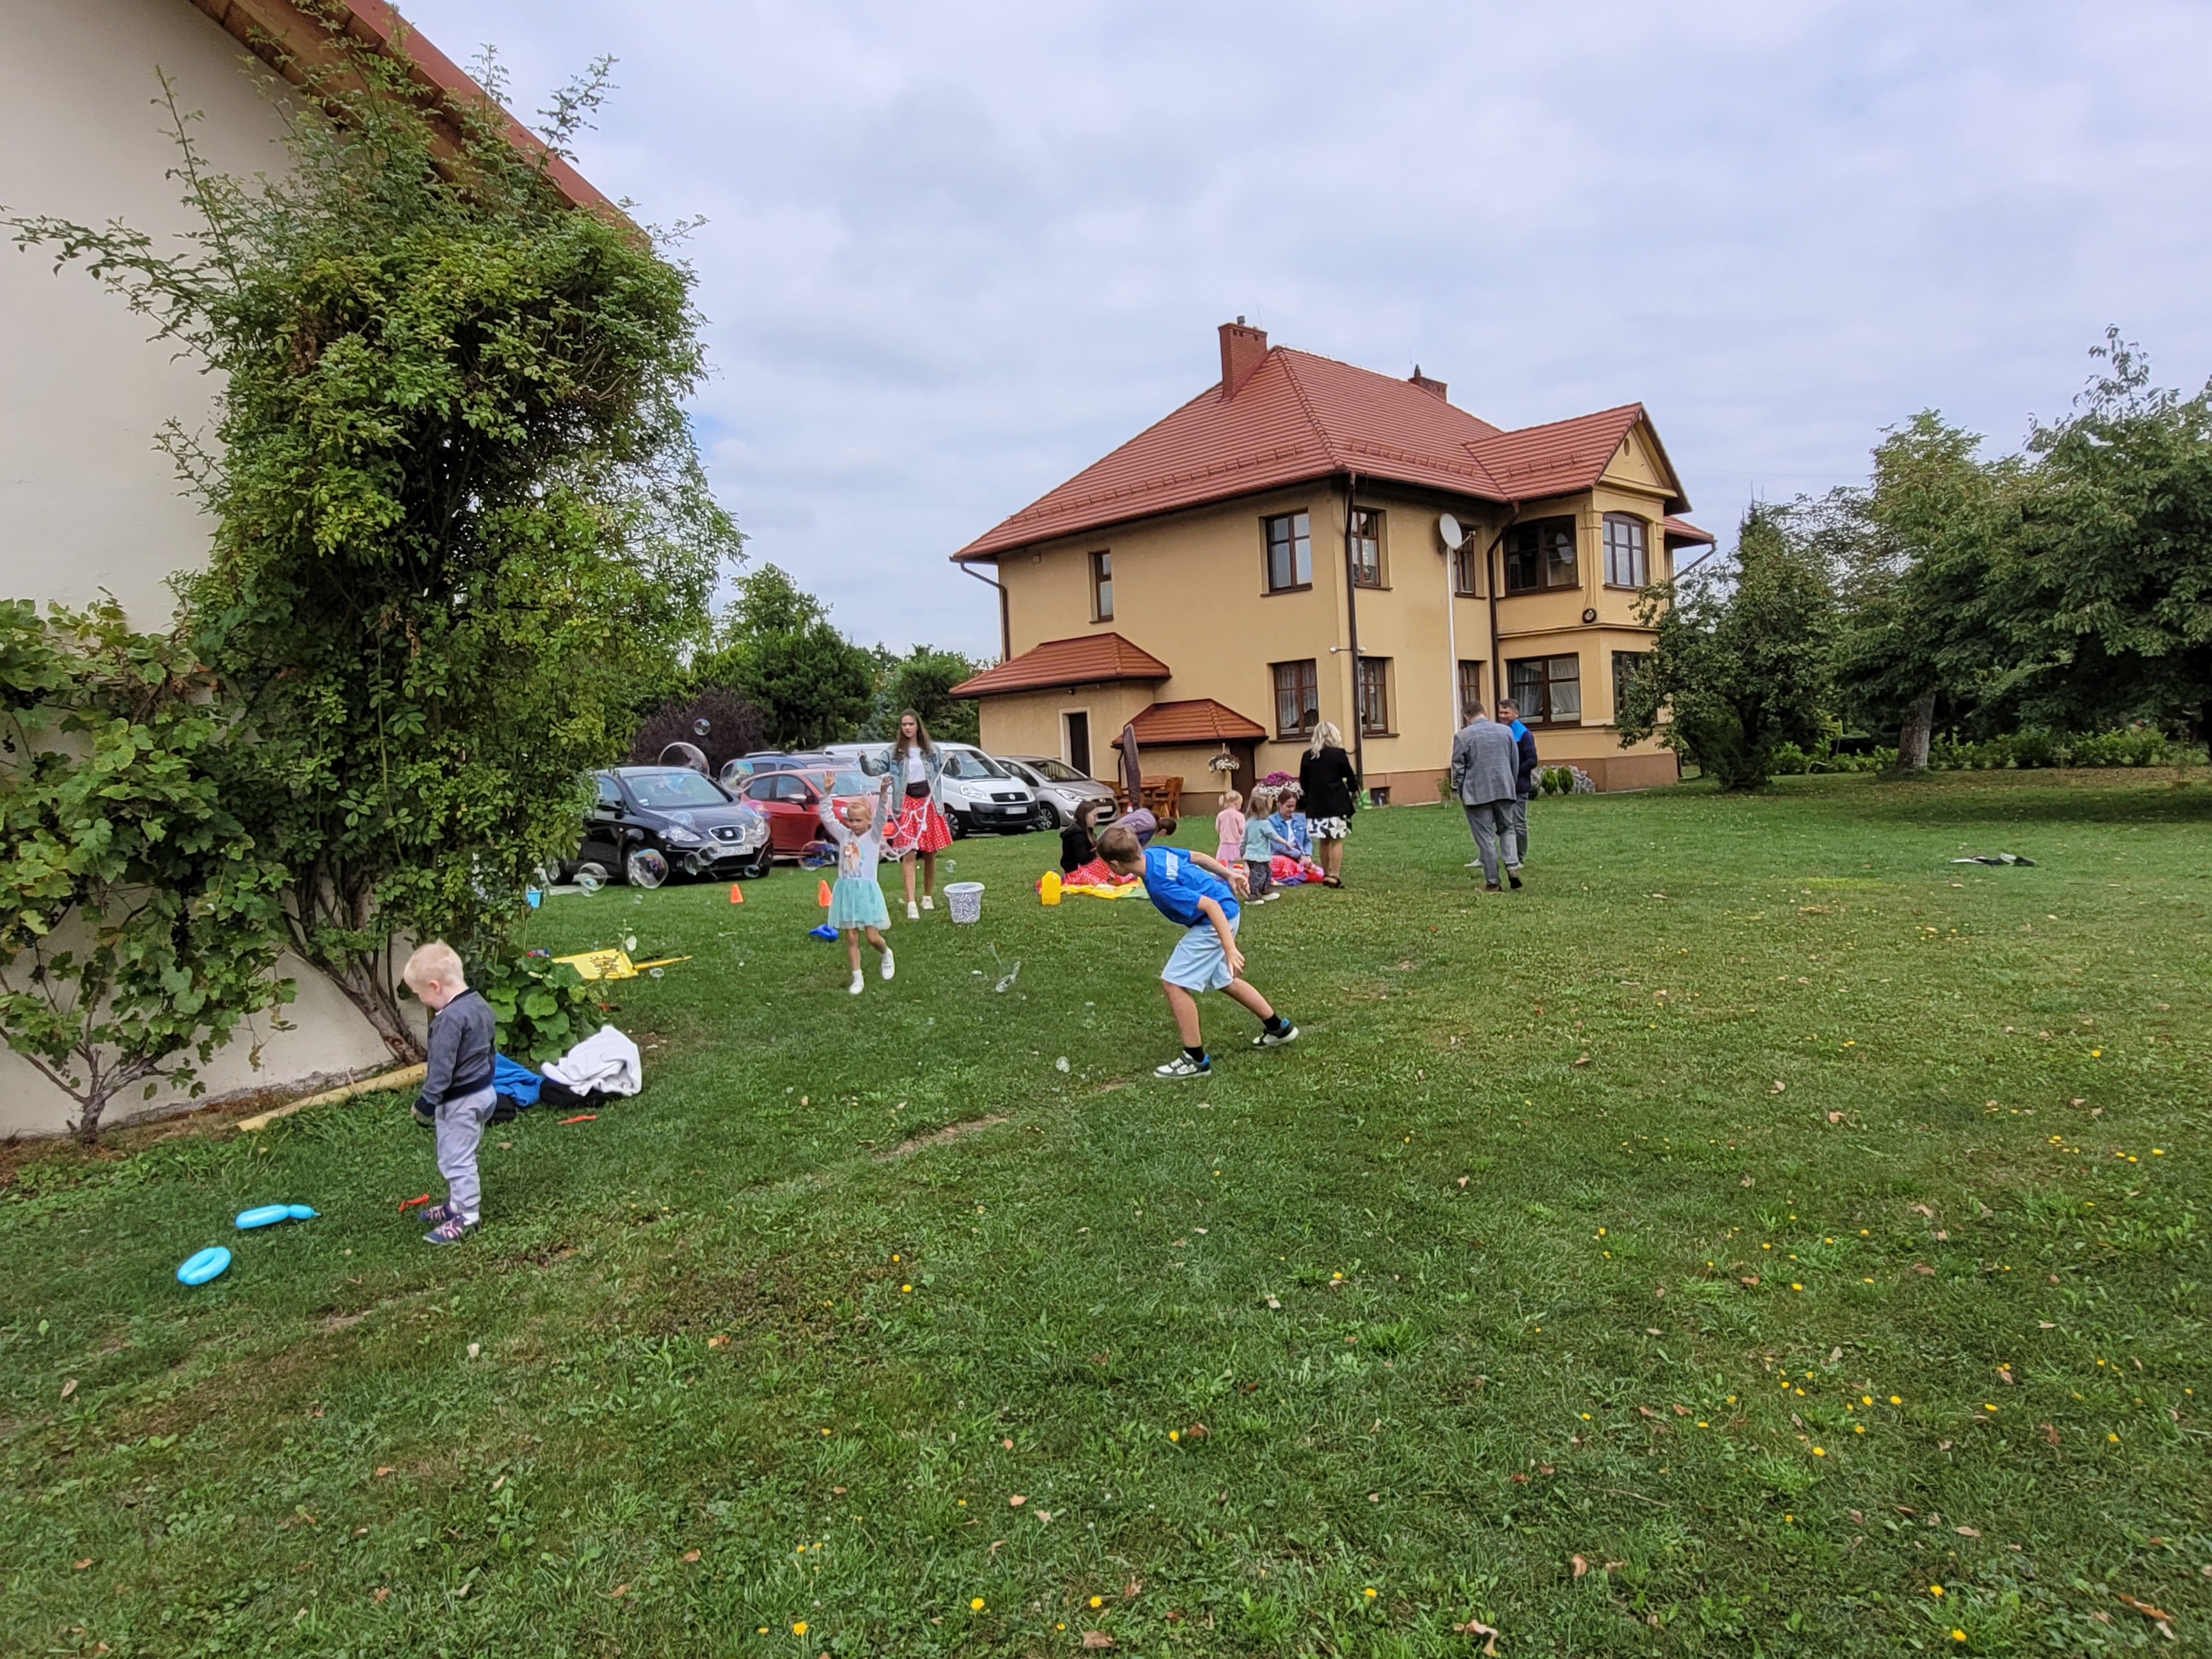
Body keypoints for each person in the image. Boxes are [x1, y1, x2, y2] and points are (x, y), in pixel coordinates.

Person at [1099, 822, 1297, 1080]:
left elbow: (1211, 907)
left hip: (1216, 921)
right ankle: (1278, 1029)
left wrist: (1230, 949)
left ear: (1114, 865)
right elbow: (1200, 857)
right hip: (1226, 911)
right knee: (1225, 980)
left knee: (1173, 983)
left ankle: (1195, 1059)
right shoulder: (1156, 854)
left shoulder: (1159, 884)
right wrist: (1228, 874)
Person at [402, 941, 497, 1245]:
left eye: (421, 996)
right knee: (458, 1153)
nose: (423, 1002)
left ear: (435, 986)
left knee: (458, 1159)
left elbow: (441, 1068)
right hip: (483, 1093)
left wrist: (427, 1102)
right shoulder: (481, 1005)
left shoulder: (449, 1021)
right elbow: (491, 1052)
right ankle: (456, 1204)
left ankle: (467, 1216)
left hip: (460, 1102)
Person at [819, 781, 897, 994]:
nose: (853, 824)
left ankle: (886, 953)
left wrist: (882, 795)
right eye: (850, 820)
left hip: (866, 892)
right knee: (851, 937)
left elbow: (881, 815)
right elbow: (827, 817)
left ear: (869, 820)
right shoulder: (844, 836)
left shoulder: (873, 837)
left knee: (872, 937)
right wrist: (827, 793)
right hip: (846, 890)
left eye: (858, 820)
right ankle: (857, 978)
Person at [882, 709, 952, 920]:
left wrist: (953, 759)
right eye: (904, 724)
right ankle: (911, 902)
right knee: (909, 852)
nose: (908, 728)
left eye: (911, 724)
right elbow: (874, 767)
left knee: (930, 853)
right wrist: (864, 760)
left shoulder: (931, 750)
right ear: (901, 728)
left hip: (928, 803)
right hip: (907, 803)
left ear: (918, 726)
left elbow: (952, 769)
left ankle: (927, 897)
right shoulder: (895, 752)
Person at [1448, 700, 1522, 891]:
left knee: (1485, 837)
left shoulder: (1462, 737)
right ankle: (1512, 866)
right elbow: (1514, 761)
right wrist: (1510, 784)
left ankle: (1493, 882)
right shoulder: (1506, 732)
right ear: (1485, 712)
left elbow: (1458, 768)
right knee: (1508, 829)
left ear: (1466, 717)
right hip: (1504, 788)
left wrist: (1461, 791)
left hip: (1477, 793)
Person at [1296, 721, 1358, 887]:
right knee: (1337, 839)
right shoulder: (1338, 754)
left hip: (1317, 805)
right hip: (1337, 804)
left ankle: (1325, 873)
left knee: (1324, 840)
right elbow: (1350, 776)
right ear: (1333, 735)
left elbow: (1303, 782)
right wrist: (1353, 789)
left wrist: (1311, 796)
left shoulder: (1307, 756)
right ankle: (1335, 876)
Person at [1498, 697, 1540, 867]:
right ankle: (1507, 855)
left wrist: (1513, 773)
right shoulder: (1500, 731)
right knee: (1502, 823)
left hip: (1519, 787)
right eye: (1500, 712)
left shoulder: (1524, 734)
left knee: (1518, 823)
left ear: (1516, 713)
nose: (1502, 716)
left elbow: (1532, 760)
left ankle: (1520, 857)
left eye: (1506, 713)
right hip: (1503, 787)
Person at [1239, 786, 1279, 902]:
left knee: (1266, 872)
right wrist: (1286, 844)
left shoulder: (1250, 823)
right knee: (1258, 875)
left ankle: (1265, 890)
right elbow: (1274, 836)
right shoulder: (1262, 824)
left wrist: (1242, 851)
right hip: (1257, 855)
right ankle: (1253, 895)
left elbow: (1244, 839)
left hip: (1258, 855)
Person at [1213, 789, 1247, 866]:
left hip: (1224, 843)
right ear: (1237, 803)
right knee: (1235, 861)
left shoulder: (1221, 815)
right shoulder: (1239, 815)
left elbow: (1218, 828)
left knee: (1225, 862)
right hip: (1236, 843)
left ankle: (1226, 873)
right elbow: (1243, 829)